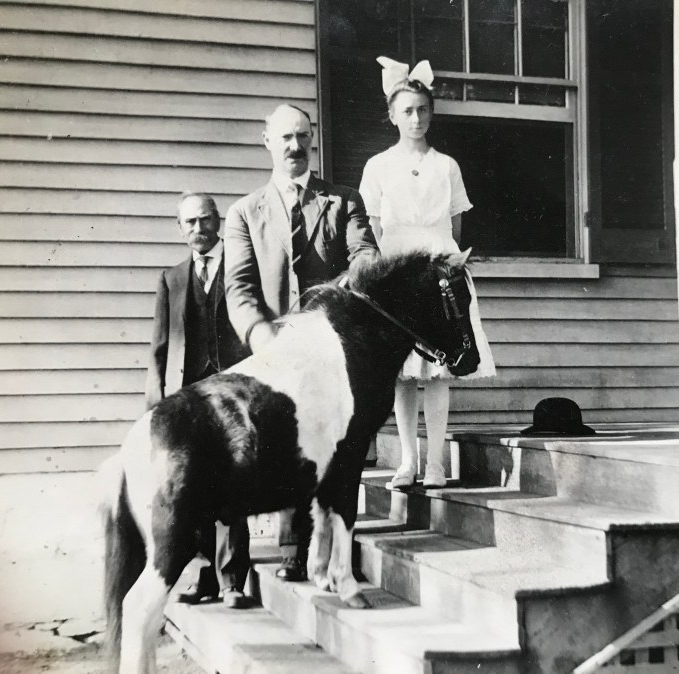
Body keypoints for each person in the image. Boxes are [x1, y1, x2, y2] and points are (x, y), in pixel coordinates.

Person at [224, 103, 378, 582]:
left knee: (338, 446)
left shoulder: (343, 200)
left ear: (313, 140)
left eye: (303, 136)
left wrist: (330, 311)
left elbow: (365, 256)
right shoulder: (244, 212)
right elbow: (240, 287)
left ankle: (337, 553)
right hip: (272, 351)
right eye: (285, 137)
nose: (295, 146)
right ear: (266, 140)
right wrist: (266, 340)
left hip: (331, 346)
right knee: (286, 444)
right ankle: (292, 552)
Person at [359, 57, 496, 489]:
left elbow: (455, 225)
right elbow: (374, 227)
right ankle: (407, 461)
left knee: (439, 369)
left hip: (439, 265)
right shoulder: (378, 166)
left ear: (431, 113)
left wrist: (444, 260)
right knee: (404, 373)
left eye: (422, 110)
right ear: (393, 116)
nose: (416, 118)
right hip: (400, 268)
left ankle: (435, 462)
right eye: (407, 111)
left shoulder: (446, 165)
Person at [145, 192, 252, 609]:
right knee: (196, 486)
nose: (198, 229)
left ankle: (232, 580)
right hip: (189, 394)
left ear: (218, 221)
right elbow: (159, 345)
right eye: (189, 223)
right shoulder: (171, 279)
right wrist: (157, 401)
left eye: (204, 220)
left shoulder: (243, 267)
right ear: (180, 228)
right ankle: (207, 575)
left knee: (235, 482)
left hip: (234, 390)